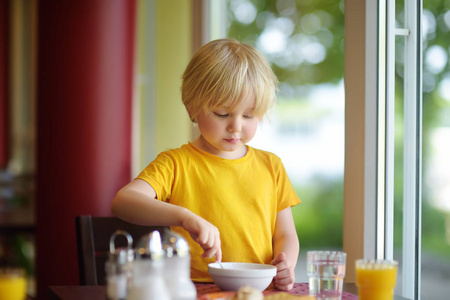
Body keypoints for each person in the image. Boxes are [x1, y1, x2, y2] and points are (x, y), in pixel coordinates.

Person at [111, 38, 300, 291]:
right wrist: (185, 217)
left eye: (248, 115)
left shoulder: (271, 166)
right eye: (222, 113)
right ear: (192, 107)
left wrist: (285, 263)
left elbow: (285, 234)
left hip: (258, 291)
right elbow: (123, 201)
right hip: (192, 289)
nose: (236, 126)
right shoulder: (176, 163)